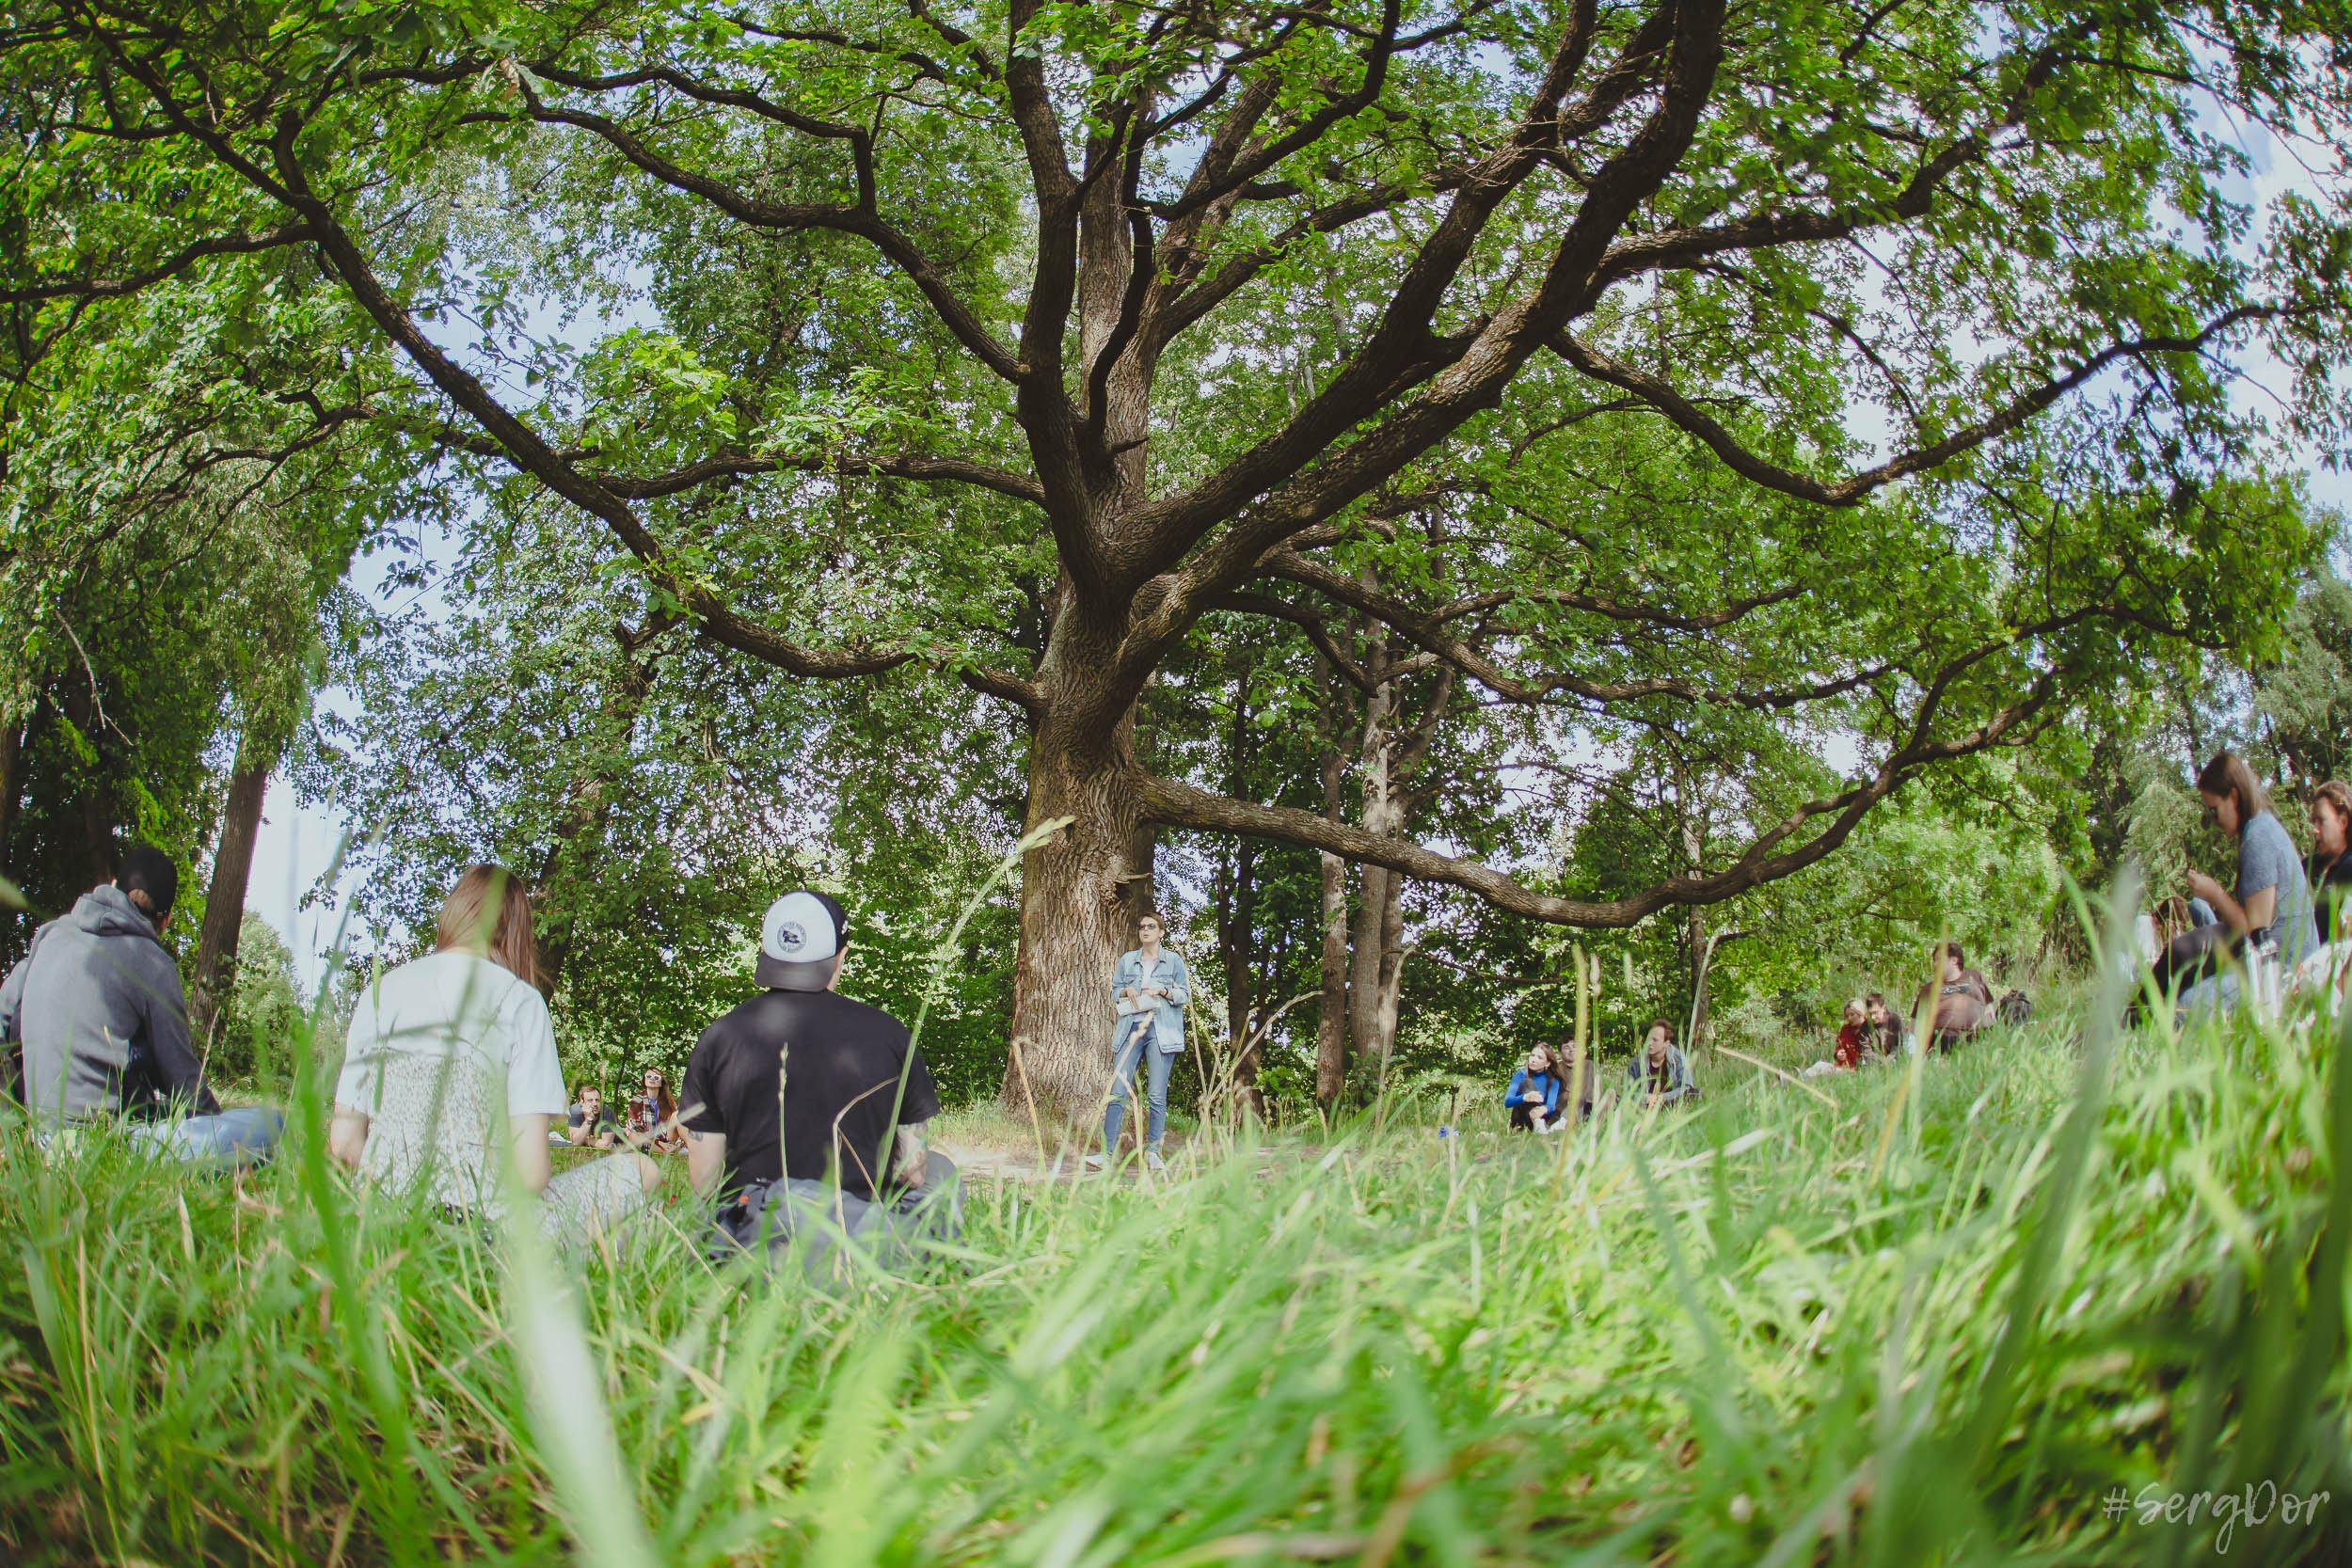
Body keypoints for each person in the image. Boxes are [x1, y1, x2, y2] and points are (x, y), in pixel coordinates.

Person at [329, 865, 660, 1235]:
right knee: (642, 1171)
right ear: (516, 931)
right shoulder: (520, 1001)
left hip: (384, 1217)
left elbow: (344, 1144)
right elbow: (531, 1174)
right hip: (486, 1228)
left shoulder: (380, 992)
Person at [681, 889, 954, 1265]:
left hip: (751, 1241)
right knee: (941, 1170)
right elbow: (912, 1172)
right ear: (841, 956)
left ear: (767, 953)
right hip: (857, 1239)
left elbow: (705, 1182)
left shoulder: (718, 1038)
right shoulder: (890, 1035)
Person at [0, 845, 279, 1164]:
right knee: (270, 1126)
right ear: (166, 919)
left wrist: (11, 1120)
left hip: (38, 1136)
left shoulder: (50, 935)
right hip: (97, 1147)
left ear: (112, 884)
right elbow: (184, 1086)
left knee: (159, 1108)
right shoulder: (153, 964)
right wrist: (214, 1124)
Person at [2179, 751, 2319, 1016]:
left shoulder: (2258, 838)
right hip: (2279, 963)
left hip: (2284, 972)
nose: (2213, 821)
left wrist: (2214, 893)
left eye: (2214, 810)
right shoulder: (2261, 827)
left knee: (2189, 1005)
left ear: (2233, 796)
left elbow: (2255, 930)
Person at [1086, 911, 1190, 1172]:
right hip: (1130, 1028)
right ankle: (1107, 1155)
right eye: (1142, 927)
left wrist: (1163, 990)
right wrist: (1126, 990)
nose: (1145, 930)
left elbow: (1184, 995)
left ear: (1161, 932)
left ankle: (1153, 1153)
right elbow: (1114, 991)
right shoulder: (1128, 960)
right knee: (1118, 1090)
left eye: (1151, 926)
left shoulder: (1173, 960)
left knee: (1156, 1094)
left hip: (1160, 1031)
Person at [1912, 941, 1994, 1051]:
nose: (1935, 964)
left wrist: (1991, 1026)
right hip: (1944, 1040)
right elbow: (1916, 1023)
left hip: (1979, 1037)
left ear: (1954, 960)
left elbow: (1989, 1007)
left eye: (1939, 959)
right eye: (1934, 960)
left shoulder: (1974, 976)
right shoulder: (1929, 989)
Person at [2310, 780, 2352, 939]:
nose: (2315, 830)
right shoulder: (2307, 867)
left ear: (2343, 821)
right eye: (2313, 821)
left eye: (2321, 821)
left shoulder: (2349, 869)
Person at [1627, 1020, 1696, 1108]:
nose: (1650, 1043)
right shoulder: (1636, 1063)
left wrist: (1662, 1098)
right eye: (1649, 1039)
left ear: (1666, 1043)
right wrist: (1647, 1098)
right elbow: (1630, 1093)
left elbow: (1686, 1087)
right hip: (1645, 1105)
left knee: (1696, 1094)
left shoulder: (1678, 1059)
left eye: (1655, 1040)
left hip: (1670, 1102)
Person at [1504, 1044, 1565, 1132]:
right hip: (1521, 1117)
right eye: (1532, 1055)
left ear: (1547, 1063)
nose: (1533, 1060)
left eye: (1539, 1058)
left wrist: (1543, 1109)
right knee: (1527, 1082)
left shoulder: (1553, 1080)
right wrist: (1524, 1097)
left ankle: (1540, 1126)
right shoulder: (1520, 1075)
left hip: (1540, 1117)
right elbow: (1507, 1102)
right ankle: (1533, 1126)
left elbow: (1551, 1106)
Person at [626, 1066, 684, 1153]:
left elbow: (677, 1127)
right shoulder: (636, 1101)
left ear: (661, 1083)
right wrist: (659, 1143)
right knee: (634, 1137)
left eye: (656, 1077)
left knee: (677, 1115)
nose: (652, 1079)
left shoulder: (669, 1102)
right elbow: (636, 1129)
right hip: (649, 1141)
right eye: (649, 1076)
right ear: (644, 1080)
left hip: (668, 1140)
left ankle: (672, 1149)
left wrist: (678, 1144)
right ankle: (663, 1153)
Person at [566, 1083, 619, 1149]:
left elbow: (606, 1144)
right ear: (582, 1102)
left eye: (597, 1100)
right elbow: (576, 1142)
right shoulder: (575, 1111)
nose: (595, 1104)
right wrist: (588, 1119)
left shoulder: (606, 1112)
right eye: (590, 1100)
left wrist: (583, 1140)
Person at [1863, 992, 1910, 1058]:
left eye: (1875, 1012)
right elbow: (1867, 1052)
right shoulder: (1865, 1027)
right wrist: (1882, 1061)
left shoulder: (1894, 1020)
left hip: (1895, 1058)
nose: (1873, 1017)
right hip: (1876, 1060)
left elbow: (1901, 1043)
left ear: (1883, 1008)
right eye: (1870, 1014)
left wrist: (1890, 1059)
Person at [1833, 1000, 1866, 1070]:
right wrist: (1838, 1054)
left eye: (1852, 1014)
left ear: (1860, 1013)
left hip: (1860, 1068)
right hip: (1845, 1066)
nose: (1849, 1018)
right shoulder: (1845, 1029)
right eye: (1847, 1016)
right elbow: (1839, 1046)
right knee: (1820, 1065)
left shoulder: (1869, 1028)